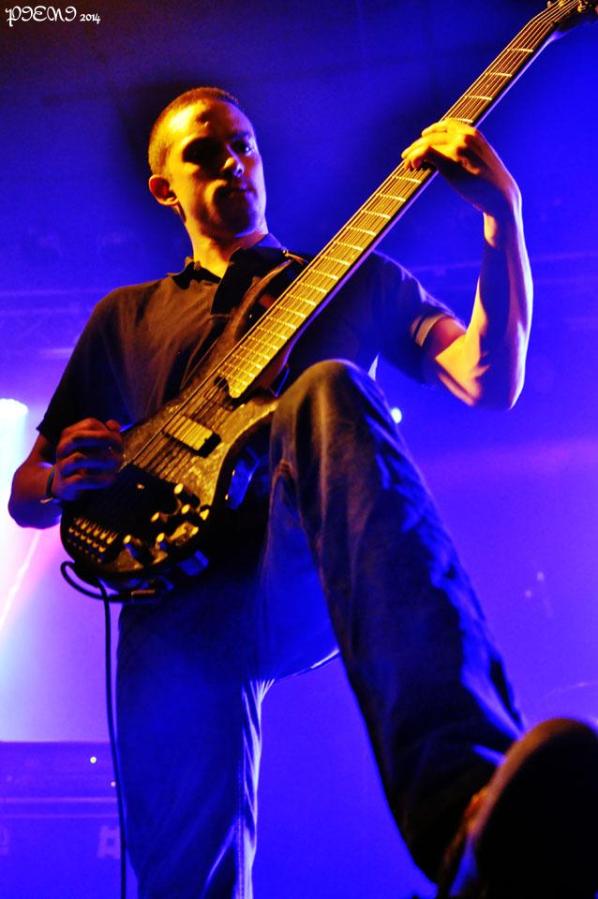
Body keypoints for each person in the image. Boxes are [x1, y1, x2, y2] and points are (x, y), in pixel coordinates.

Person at [9, 87, 598, 899]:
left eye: (243, 143)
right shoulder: (127, 316)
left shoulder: (353, 277)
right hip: (168, 598)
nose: (233, 161)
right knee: (185, 877)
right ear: (163, 188)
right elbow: (27, 491)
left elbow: (489, 380)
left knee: (327, 387)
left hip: (290, 562)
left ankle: (468, 803)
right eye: (204, 152)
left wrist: (504, 217)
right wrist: (59, 477)